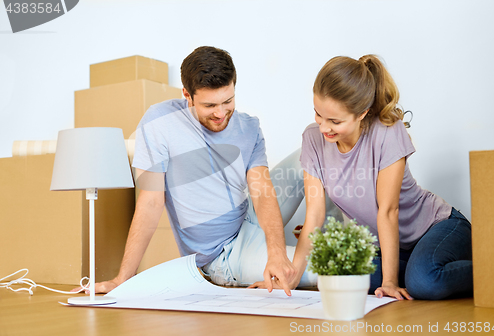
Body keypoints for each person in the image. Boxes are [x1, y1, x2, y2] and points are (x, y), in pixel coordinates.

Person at [75, 46, 327, 297]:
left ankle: (342, 228)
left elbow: (262, 192)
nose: (220, 113)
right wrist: (122, 280)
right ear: (187, 94)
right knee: (332, 269)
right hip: (224, 256)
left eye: (228, 101)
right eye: (209, 105)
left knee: (318, 142)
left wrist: (277, 252)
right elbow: (151, 202)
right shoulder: (159, 123)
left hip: (248, 219)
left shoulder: (249, 127)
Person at [290, 55, 473, 300]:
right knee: (339, 277)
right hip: (390, 249)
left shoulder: (388, 130)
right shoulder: (312, 139)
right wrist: (291, 278)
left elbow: (388, 210)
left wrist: (388, 282)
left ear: (362, 113)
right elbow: (314, 214)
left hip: (437, 228)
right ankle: (416, 270)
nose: (324, 128)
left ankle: (485, 266)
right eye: (318, 115)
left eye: (335, 121)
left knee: (425, 282)